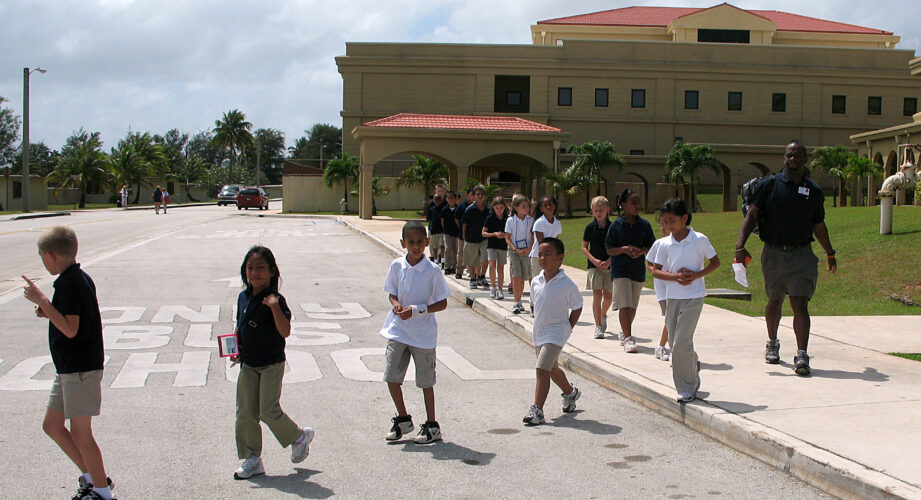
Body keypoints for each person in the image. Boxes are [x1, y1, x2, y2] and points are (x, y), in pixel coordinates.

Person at [21, 226, 115, 500]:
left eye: (42, 258)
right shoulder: (75, 278)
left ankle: (102, 493)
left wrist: (42, 300)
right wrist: (49, 311)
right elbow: (70, 320)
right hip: (68, 369)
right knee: (51, 425)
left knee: (82, 433)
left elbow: (70, 329)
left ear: (50, 256)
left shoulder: (69, 282)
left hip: (80, 368)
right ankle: (94, 478)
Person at [735, 140, 837, 376]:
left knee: (800, 303)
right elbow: (751, 216)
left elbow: (819, 226)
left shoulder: (813, 191)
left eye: (797, 155)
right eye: (789, 155)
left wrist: (830, 252)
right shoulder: (769, 185)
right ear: (784, 158)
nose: (793, 159)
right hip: (773, 254)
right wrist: (740, 246)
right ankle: (772, 342)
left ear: (805, 159)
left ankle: (802, 355)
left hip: (801, 254)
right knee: (775, 301)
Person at [231, 246, 314, 480]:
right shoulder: (243, 297)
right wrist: (237, 349)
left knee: (268, 410)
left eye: (260, 268)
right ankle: (252, 459)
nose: (255, 272)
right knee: (245, 412)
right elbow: (241, 325)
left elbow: (285, 331)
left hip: (271, 363)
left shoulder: (277, 299)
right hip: (248, 363)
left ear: (271, 272)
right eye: (250, 268)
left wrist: (275, 307)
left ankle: (299, 438)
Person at [380, 221, 451, 444]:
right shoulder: (396, 266)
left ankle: (432, 425)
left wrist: (418, 310)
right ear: (403, 243)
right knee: (391, 376)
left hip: (423, 336)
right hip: (398, 331)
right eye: (411, 242)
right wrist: (396, 305)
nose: (416, 246)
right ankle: (403, 419)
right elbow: (392, 292)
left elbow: (442, 303)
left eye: (420, 242)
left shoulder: (432, 271)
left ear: (427, 242)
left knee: (425, 381)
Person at [652, 198, 720, 402]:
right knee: (675, 343)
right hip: (673, 297)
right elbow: (655, 271)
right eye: (665, 221)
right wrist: (675, 277)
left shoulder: (699, 239)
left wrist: (695, 276)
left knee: (682, 342)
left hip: (694, 297)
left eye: (672, 221)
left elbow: (715, 262)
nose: (669, 226)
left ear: (684, 218)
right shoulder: (664, 244)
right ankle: (692, 365)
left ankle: (687, 388)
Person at [523, 237, 583, 425]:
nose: (542, 258)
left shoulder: (567, 284)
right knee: (551, 370)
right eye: (540, 254)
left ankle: (537, 410)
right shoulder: (536, 281)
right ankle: (571, 393)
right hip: (539, 332)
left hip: (556, 334)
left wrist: (567, 328)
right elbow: (535, 303)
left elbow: (578, 306)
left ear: (560, 258)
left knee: (541, 369)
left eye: (548, 254)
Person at [605, 189, 655, 353]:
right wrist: (624, 249)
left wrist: (641, 251)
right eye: (633, 203)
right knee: (624, 305)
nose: (637, 206)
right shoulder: (616, 226)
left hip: (637, 269)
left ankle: (624, 330)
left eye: (638, 202)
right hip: (620, 270)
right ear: (623, 205)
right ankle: (628, 338)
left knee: (632, 305)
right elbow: (609, 249)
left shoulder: (645, 225)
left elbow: (652, 247)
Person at [582, 196, 613, 339]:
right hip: (594, 266)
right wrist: (594, 260)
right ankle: (598, 326)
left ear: (607, 210)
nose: (598, 213)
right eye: (595, 210)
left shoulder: (613, 227)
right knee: (597, 294)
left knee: (608, 296)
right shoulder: (589, 228)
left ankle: (603, 314)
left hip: (609, 266)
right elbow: (584, 247)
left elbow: (617, 247)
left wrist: (609, 261)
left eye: (601, 210)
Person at [645, 212, 672, 361]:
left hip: (678, 288)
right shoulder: (659, 243)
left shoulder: (681, 242)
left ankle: (674, 348)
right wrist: (659, 272)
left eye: (666, 223)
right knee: (670, 319)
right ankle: (661, 347)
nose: (663, 227)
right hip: (663, 288)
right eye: (661, 224)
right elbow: (649, 264)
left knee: (678, 319)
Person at [504, 194, 534, 314]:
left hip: (527, 251)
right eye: (523, 206)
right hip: (514, 251)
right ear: (516, 207)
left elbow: (533, 237)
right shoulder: (510, 220)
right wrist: (515, 249)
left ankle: (525, 300)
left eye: (527, 206)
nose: (526, 209)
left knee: (525, 277)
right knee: (516, 276)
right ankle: (517, 302)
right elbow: (507, 237)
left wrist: (528, 249)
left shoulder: (531, 221)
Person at [461, 186, 490, 290]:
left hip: (484, 238)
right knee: (472, 260)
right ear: (474, 196)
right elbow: (464, 224)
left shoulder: (488, 210)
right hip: (471, 238)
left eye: (482, 194)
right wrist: (464, 237)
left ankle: (482, 277)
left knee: (485, 259)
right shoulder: (469, 210)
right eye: (478, 194)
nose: (480, 196)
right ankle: (473, 279)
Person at [482, 196, 509, 300]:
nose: (499, 210)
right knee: (492, 265)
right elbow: (483, 233)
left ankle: (500, 289)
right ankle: (493, 287)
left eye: (501, 208)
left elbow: (510, 233)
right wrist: (494, 234)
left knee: (501, 268)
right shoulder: (490, 218)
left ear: (504, 208)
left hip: (502, 246)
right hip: (492, 245)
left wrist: (504, 235)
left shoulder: (507, 219)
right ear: (493, 208)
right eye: (497, 208)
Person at [453, 187, 475, 279]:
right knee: (461, 253)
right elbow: (456, 218)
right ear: (467, 195)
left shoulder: (478, 207)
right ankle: (459, 271)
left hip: (474, 235)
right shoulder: (461, 206)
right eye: (472, 194)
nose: (473, 197)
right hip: (463, 235)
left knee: (473, 255)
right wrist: (461, 228)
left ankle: (472, 272)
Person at [441, 191, 460, 276]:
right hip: (447, 232)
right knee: (448, 248)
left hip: (456, 232)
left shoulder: (458, 209)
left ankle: (454, 266)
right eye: (449, 198)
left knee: (456, 250)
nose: (451, 200)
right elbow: (442, 221)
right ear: (446, 199)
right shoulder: (444, 209)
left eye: (452, 198)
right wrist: (444, 230)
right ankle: (447, 266)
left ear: (455, 199)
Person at [427, 193, 446, 265]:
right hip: (434, 229)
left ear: (441, 200)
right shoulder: (431, 209)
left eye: (439, 200)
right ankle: (435, 259)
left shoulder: (444, 209)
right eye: (436, 200)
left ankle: (443, 259)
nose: (437, 201)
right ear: (434, 200)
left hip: (441, 230)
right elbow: (428, 218)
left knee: (442, 245)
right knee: (434, 246)